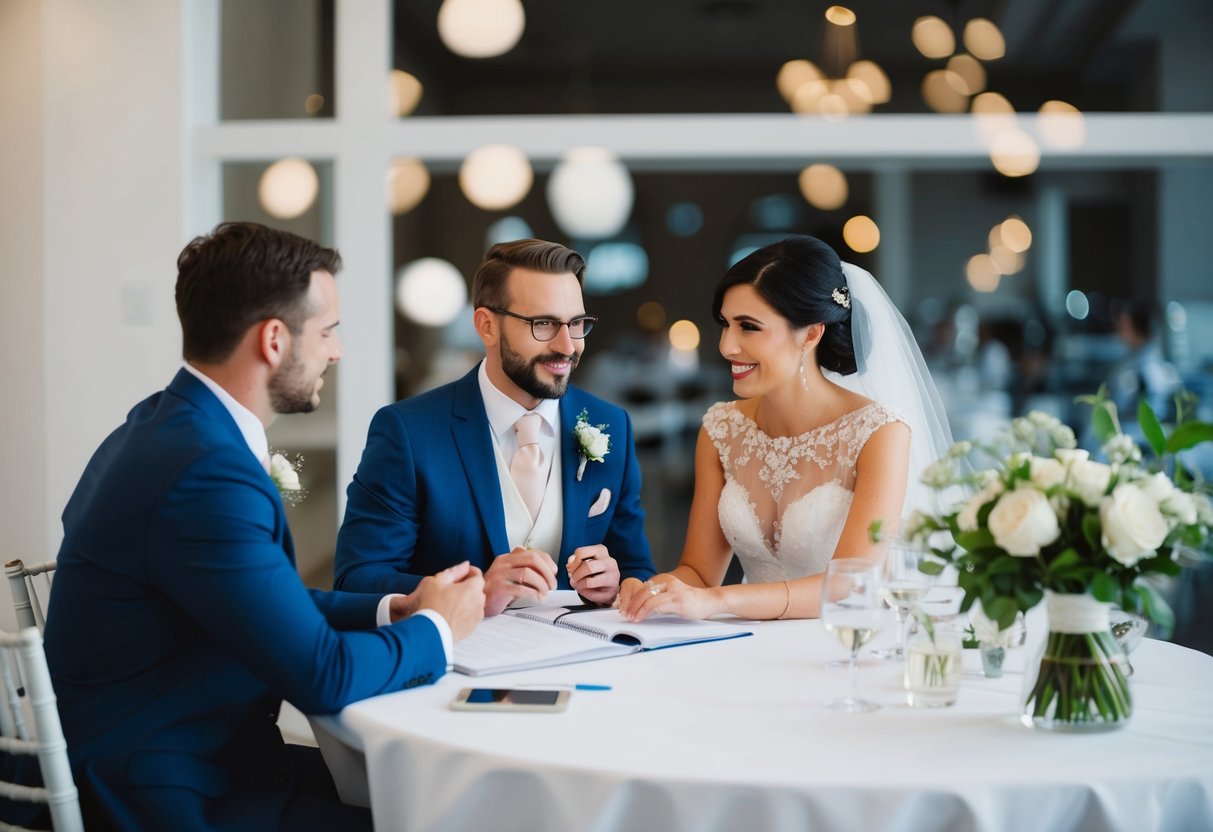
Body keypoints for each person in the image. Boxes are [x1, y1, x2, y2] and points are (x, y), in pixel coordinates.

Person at [42, 222, 485, 831]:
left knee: (431, 795)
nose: (337, 351)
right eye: (328, 331)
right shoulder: (205, 472)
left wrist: (397, 608)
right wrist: (439, 628)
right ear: (274, 340)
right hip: (175, 793)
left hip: (195, 755)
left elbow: (257, 599)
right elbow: (324, 679)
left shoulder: (162, 426)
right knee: (451, 814)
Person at [619, 235, 953, 621]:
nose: (727, 345)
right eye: (725, 325)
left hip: (841, 646)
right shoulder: (721, 429)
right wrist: (648, 589)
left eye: (749, 327)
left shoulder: (880, 432)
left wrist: (722, 602)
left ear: (811, 333)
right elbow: (698, 573)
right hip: (745, 644)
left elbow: (852, 583)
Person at [334, 239, 655, 615]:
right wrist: (475, 589)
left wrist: (617, 583)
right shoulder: (407, 431)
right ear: (487, 326)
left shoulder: (611, 424)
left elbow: (637, 570)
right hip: (454, 662)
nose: (568, 345)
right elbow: (357, 579)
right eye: (544, 323)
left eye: (577, 323)